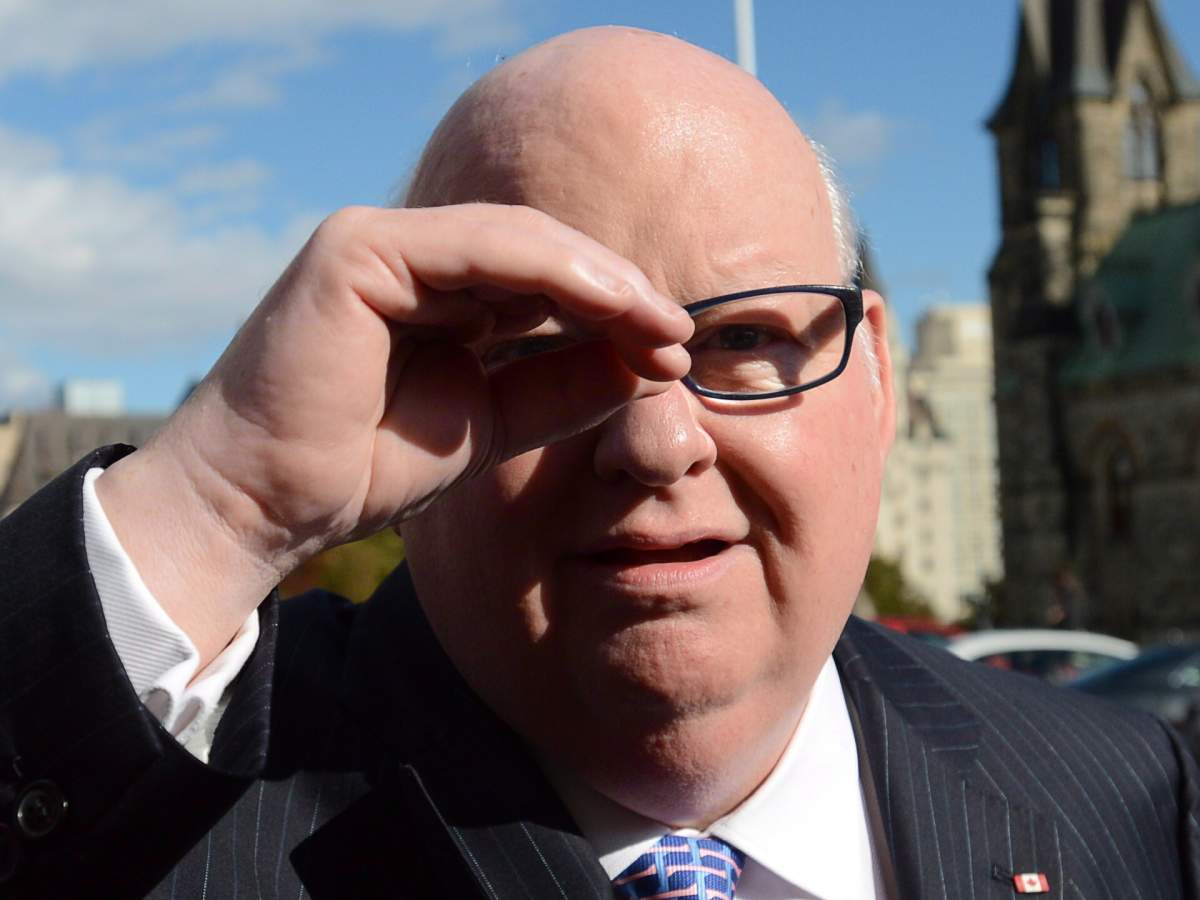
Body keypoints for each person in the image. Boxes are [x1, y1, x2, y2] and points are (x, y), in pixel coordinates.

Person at [1, 26, 1197, 900]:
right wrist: (220, 501)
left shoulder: (1131, 794)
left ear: (876, 377)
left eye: (742, 339)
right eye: (538, 355)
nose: (657, 441)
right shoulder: (171, 819)